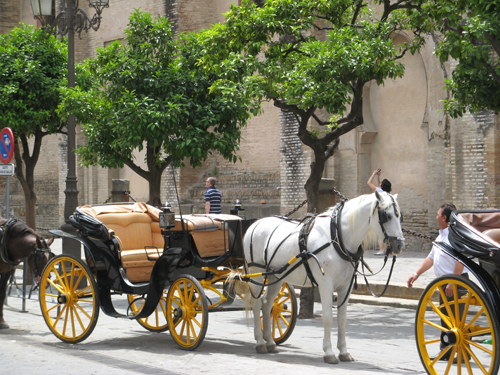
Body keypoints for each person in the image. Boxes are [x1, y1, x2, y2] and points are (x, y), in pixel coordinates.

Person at [407, 203, 469, 362]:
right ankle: (447, 351)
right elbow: (431, 258)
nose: (435, 217)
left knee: (457, 319)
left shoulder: (456, 235)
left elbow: (460, 260)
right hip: (444, 283)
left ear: (444, 217)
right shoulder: (441, 235)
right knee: (445, 318)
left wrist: (453, 281)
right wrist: (416, 274)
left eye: (437, 214)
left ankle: (464, 353)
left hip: (456, 281)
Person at [367, 169, 392, 254]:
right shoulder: (386, 192)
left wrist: (373, 174)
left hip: (380, 214)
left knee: (380, 233)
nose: (379, 183)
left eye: (381, 183)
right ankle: (385, 249)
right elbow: (379, 185)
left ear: (382, 186)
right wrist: (378, 177)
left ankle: (382, 249)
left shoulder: (380, 191)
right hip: (387, 214)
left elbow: (369, 183)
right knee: (385, 232)